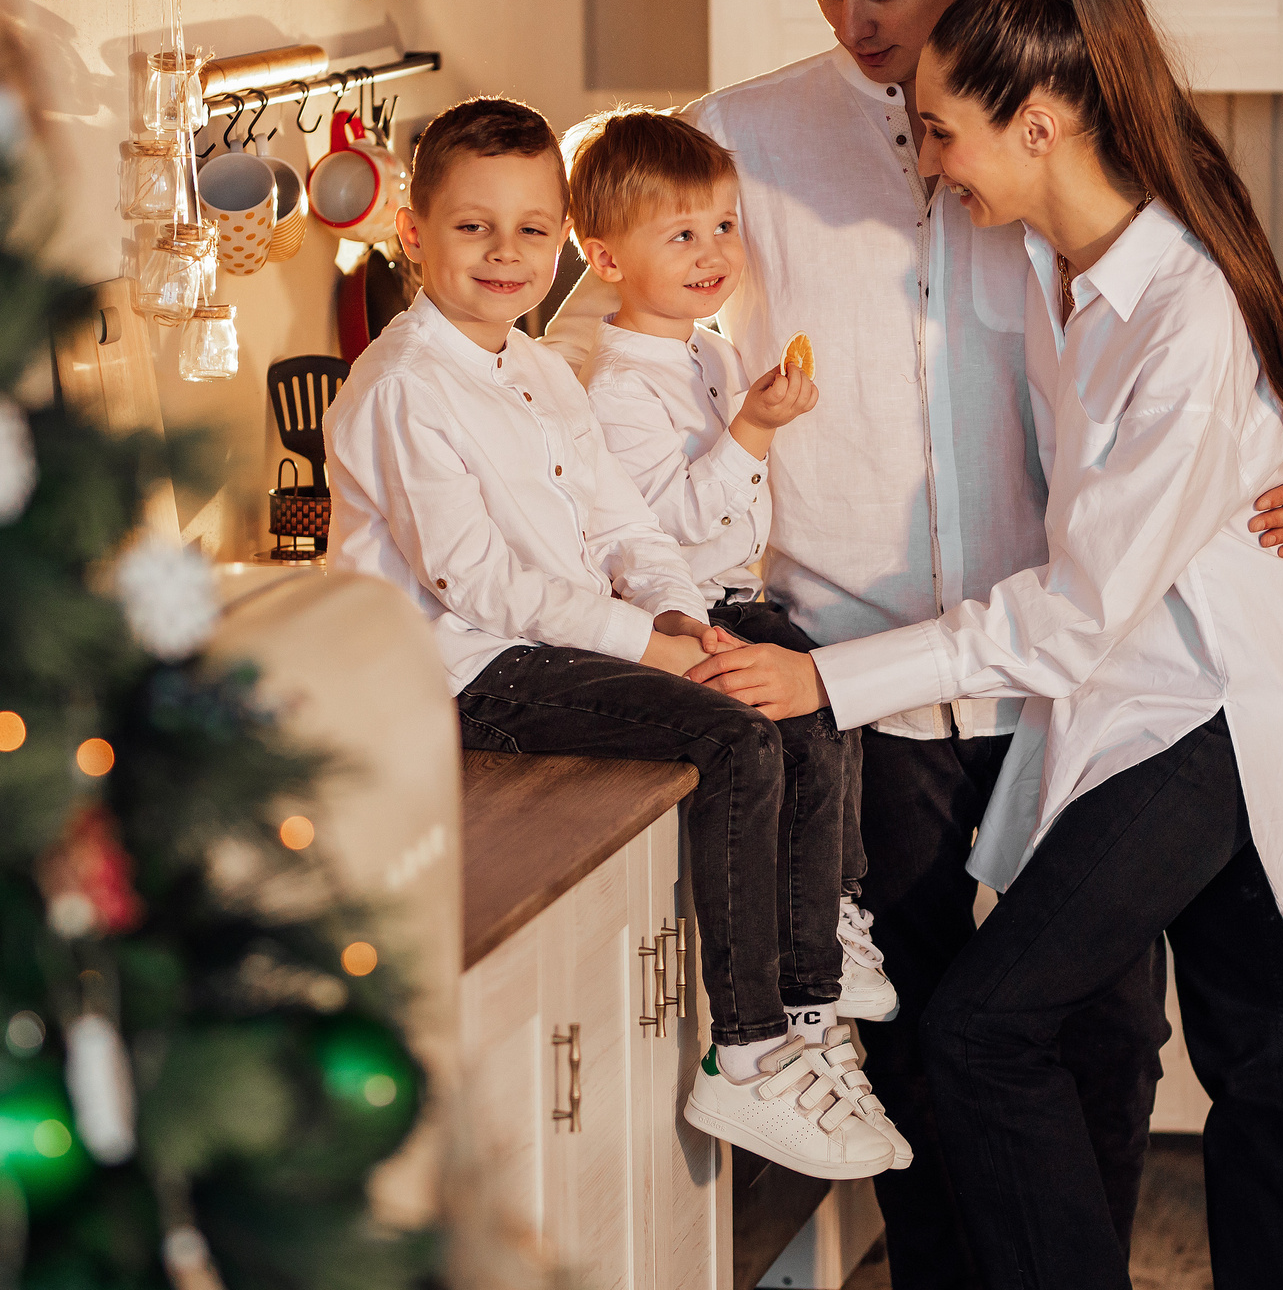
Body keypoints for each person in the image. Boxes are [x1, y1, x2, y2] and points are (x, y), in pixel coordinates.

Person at [547, 0, 1283, 1290]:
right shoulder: (735, 143)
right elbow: (591, 368)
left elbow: (1215, 328)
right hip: (860, 676)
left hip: (1077, 682)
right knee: (921, 1054)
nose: (855, 27)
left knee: (1100, 1046)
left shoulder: (1060, 144)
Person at [323, 94, 906, 1182]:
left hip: (552, 645)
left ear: (560, 240)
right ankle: (750, 1053)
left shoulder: (541, 366)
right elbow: (478, 581)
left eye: (530, 228)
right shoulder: (405, 386)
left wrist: (680, 613)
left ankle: (808, 992)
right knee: (733, 740)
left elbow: (619, 523)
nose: (507, 254)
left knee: (774, 687)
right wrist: (645, 647)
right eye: (472, 226)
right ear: (411, 231)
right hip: (459, 675)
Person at [564, 106, 894, 1023]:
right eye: (681, 234)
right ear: (607, 260)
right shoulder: (619, 389)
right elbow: (661, 528)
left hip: (742, 591)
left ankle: (838, 905)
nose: (713, 250)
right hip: (697, 608)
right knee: (810, 722)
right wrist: (753, 428)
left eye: (721, 226)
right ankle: (813, 947)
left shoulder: (707, 348)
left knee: (834, 702)